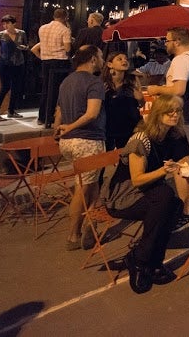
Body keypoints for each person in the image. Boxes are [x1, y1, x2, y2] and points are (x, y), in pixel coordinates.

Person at [103, 94, 185, 293]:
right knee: (165, 198)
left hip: (149, 193)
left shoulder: (172, 136)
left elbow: (185, 158)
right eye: (169, 111)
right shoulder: (142, 140)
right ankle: (140, 261)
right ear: (158, 113)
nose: (175, 115)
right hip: (124, 196)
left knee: (174, 205)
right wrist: (163, 171)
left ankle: (151, 259)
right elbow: (137, 179)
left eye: (178, 111)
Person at [54, 45, 107, 251]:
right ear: (93, 59)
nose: (102, 61)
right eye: (101, 57)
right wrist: (70, 127)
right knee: (82, 188)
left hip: (68, 142)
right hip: (87, 140)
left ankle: (90, 224)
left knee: (91, 183)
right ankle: (73, 236)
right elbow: (92, 113)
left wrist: (58, 128)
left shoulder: (66, 81)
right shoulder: (94, 82)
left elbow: (58, 109)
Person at [147, 27, 189, 149]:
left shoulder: (181, 60)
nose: (165, 44)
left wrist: (157, 89)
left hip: (182, 117)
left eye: (167, 40)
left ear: (177, 41)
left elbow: (178, 90)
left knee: (181, 157)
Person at [34, 8, 72, 126]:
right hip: (60, 61)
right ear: (65, 17)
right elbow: (68, 49)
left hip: (46, 61)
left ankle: (42, 116)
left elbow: (39, 46)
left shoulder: (42, 28)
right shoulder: (65, 30)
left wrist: (42, 57)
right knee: (57, 90)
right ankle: (52, 116)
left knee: (46, 88)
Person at [0, 14, 28, 121]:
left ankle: (11, 111)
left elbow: (26, 46)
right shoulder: (0, 35)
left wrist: (24, 48)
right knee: (5, 87)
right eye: (4, 23)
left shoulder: (21, 33)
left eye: (8, 23)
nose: (5, 25)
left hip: (19, 63)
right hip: (4, 63)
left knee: (16, 88)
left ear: (13, 23)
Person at [104, 51, 143, 151]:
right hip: (109, 126)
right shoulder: (104, 82)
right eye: (119, 59)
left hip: (129, 125)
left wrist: (140, 98)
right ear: (110, 64)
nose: (124, 60)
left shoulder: (133, 79)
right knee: (106, 156)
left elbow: (142, 103)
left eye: (126, 58)